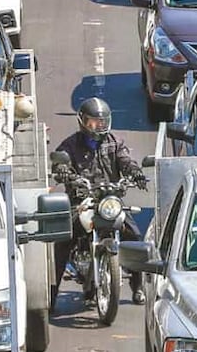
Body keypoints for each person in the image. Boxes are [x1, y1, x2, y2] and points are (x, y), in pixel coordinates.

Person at [52, 97, 149, 307]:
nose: (98, 126)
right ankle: (52, 294)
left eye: (102, 122)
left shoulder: (114, 142)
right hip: (82, 201)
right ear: (82, 121)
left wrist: (135, 173)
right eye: (93, 122)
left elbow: (126, 161)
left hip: (109, 200)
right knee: (62, 241)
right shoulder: (71, 144)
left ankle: (138, 286)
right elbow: (60, 161)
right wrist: (63, 171)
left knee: (134, 235)